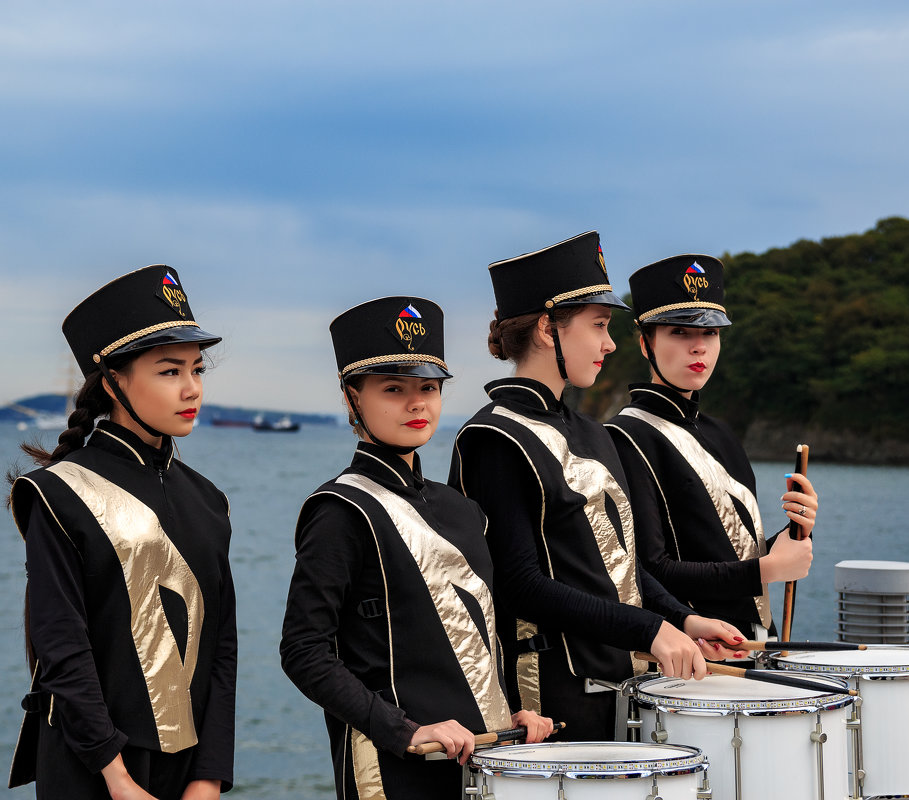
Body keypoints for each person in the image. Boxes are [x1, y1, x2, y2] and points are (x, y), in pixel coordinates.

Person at [448, 233, 746, 742]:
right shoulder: (493, 437)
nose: (610, 343)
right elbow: (519, 584)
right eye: (600, 326)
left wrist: (683, 620)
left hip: (623, 682)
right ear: (548, 328)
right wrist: (650, 631)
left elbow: (619, 567)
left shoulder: (589, 430)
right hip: (548, 700)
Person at [279, 297, 554, 800]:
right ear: (351, 397)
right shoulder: (341, 509)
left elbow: (479, 635)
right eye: (393, 389)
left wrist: (513, 708)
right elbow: (303, 652)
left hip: (487, 761)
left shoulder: (461, 508)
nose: (416, 404)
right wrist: (402, 730)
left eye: (428, 387)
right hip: (397, 773)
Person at [7, 265, 236, 800]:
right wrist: (117, 777)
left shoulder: (208, 499)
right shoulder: (57, 492)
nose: (191, 388)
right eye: (168, 371)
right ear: (112, 381)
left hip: (190, 773)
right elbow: (62, 647)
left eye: (196, 369)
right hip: (92, 770)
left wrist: (210, 775)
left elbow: (222, 645)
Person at [605, 254, 818, 643]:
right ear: (644, 343)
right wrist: (767, 570)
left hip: (758, 646)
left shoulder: (721, 432)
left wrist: (795, 532)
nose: (698, 347)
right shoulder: (625, 436)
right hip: (692, 656)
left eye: (711, 333)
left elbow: (734, 552)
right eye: (679, 333)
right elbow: (649, 571)